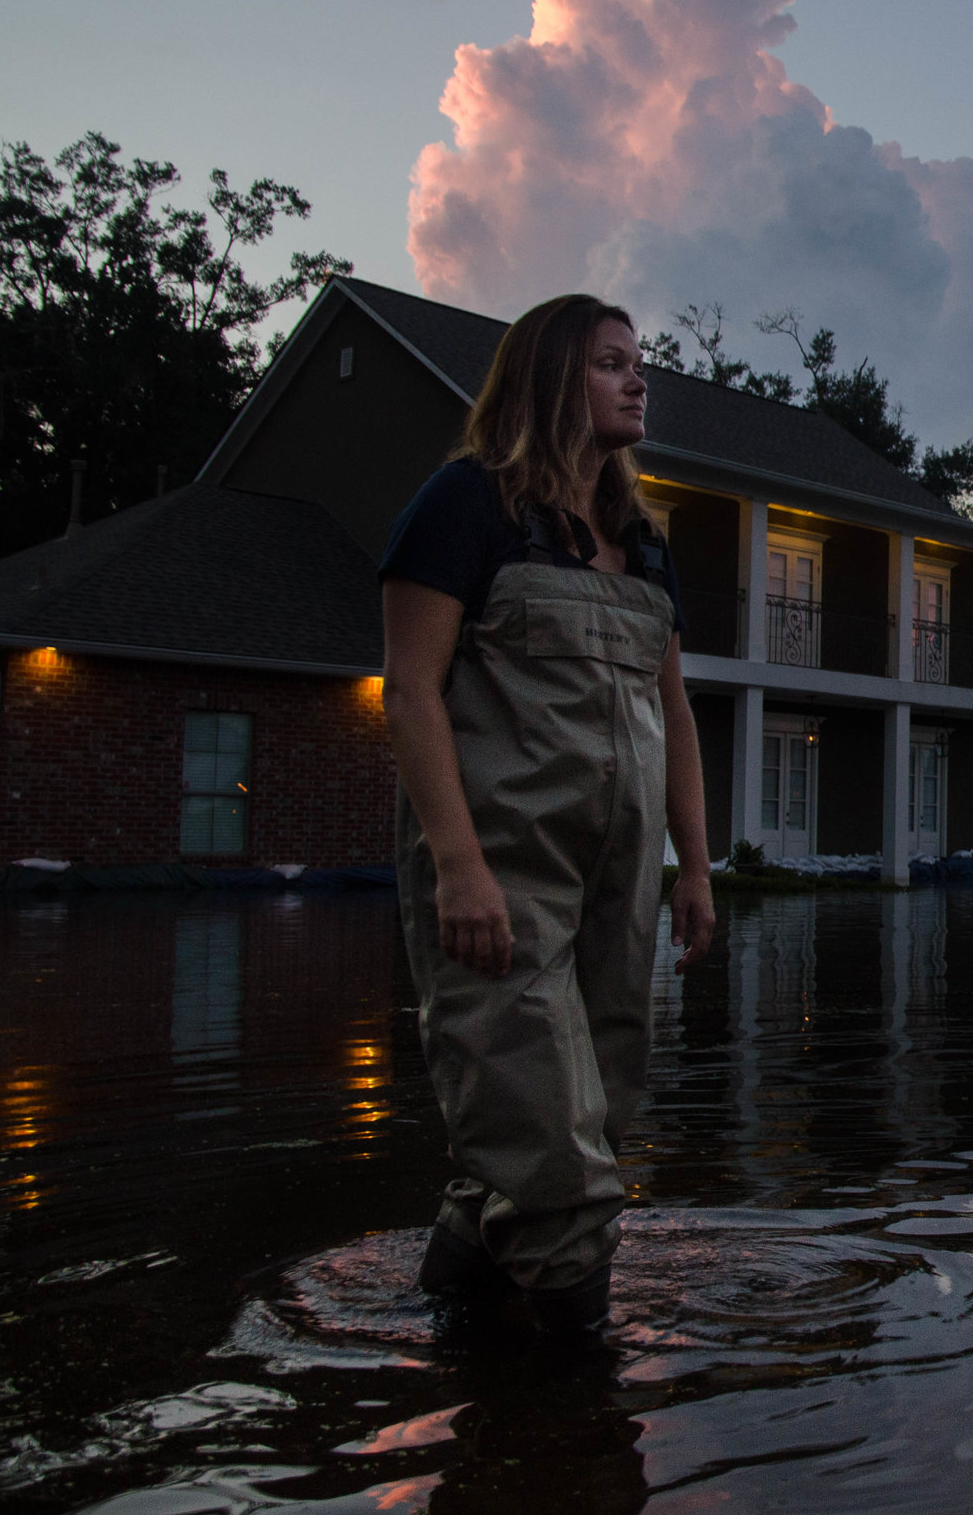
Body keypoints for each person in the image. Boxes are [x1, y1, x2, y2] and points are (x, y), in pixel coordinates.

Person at [380, 293, 716, 1335]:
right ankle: (581, 1421)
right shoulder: (464, 505)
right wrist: (459, 866)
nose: (636, 378)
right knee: (556, 1155)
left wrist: (693, 866)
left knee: (597, 1115)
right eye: (611, 361)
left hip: (619, 881)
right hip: (502, 870)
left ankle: (463, 1327)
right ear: (550, 376)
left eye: (639, 362)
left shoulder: (641, 543)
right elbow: (410, 690)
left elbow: (674, 710)